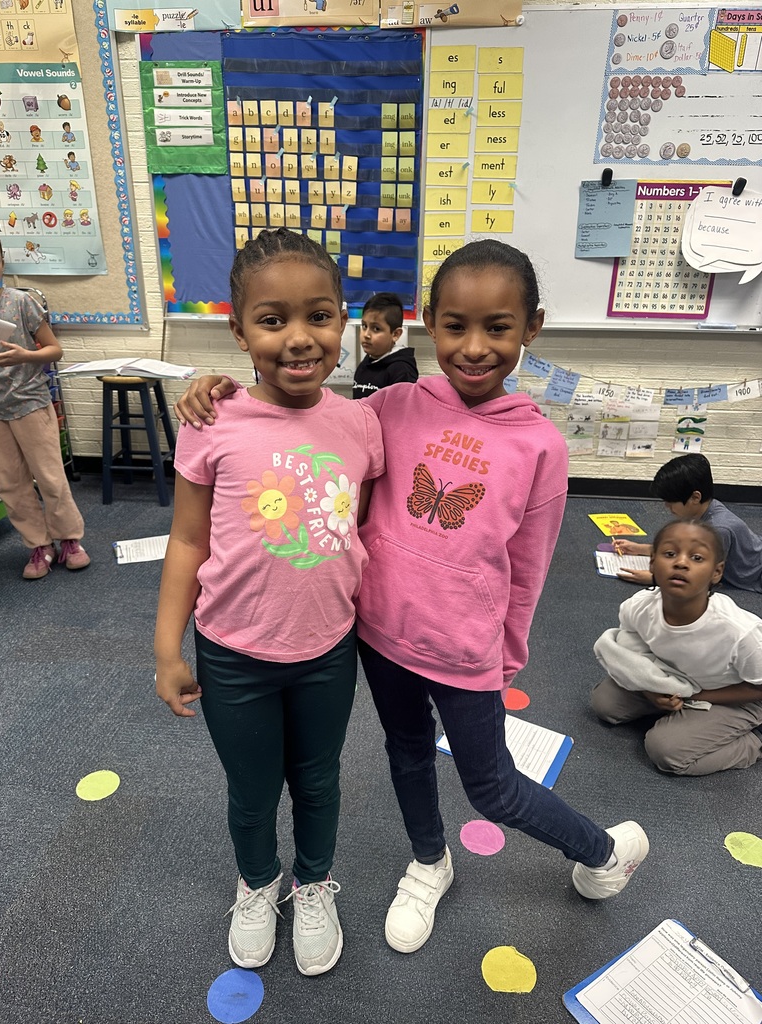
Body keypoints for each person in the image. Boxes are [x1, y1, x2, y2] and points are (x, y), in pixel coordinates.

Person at [173, 239, 650, 954]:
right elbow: (302, 426)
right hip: (378, 637)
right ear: (429, 322)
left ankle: (604, 852)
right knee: (406, 754)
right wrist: (213, 383)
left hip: (466, 650)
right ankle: (431, 861)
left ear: (533, 328)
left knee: (492, 789)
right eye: (455, 326)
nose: (475, 347)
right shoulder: (390, 408)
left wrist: (506, 658)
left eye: (498, 328)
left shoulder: (541, 445)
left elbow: (531, 568)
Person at [154, 228, 384, 977]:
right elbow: (187, 542)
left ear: (344, 321)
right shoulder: (211, 419)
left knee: (318, 780)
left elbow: (361, 525)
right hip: (233, 654)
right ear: (239, 330)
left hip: (327, 651)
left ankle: (312, 882)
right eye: (272, 319)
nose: (298, 338)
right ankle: (258, 883)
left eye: (319, 315)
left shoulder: (359, 424)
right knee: (251, 790)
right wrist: (167, 648)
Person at [592, 519, 762, 775]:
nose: (681, 562)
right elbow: (632, 648)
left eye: (696, 557)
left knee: (665, 751)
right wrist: (650, 688)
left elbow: (758, 688)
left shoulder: (739, 632)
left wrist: (693, 696)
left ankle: (754, 743)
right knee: (604, 704)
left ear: (716, 572)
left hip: (736, 696)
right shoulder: (639, 606)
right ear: (652, 564)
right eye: (670, 554)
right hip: (674, 680)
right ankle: (682, 716)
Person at [0, 232, 90, 579]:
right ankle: (38, 544)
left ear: (2, 262)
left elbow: (54, 350)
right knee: (10, 483)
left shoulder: (20, 302)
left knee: (50, 476)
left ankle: (69, 539)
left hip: (30, 403)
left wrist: (27, 355)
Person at [615, 453, 762, 592]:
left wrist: (655, 578)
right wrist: (639, 548)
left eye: (671, 501)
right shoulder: (704, 510)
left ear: (695, 497)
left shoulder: (718, 529)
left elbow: (704, 577)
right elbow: (686, 550)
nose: (667, 506)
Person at [353, 291, 418, 400]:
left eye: (376, 329)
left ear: (395, 334)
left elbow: (403, 412)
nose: (366, 334)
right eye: (364, 326)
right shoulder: (365, 363)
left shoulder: (402, 371)